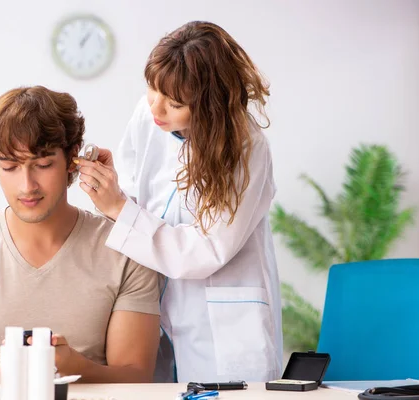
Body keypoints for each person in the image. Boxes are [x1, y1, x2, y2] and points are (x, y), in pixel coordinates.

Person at [0, 86, 161, 384]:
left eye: (43, 165)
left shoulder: (124, 249)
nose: (27, 186)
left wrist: (76, 367)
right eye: (10, 166)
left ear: (73, 159)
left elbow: (137, 379)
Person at [73, 21, 282, 383]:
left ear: (210, 105)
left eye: (175, 104)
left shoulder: (247, 148)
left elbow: (206, 251)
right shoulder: (149, 113)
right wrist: (113, 188)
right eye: (153, 90)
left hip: (220, 324)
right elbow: (137, 196)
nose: (157, 109)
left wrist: (118, 208)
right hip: (152, 304)